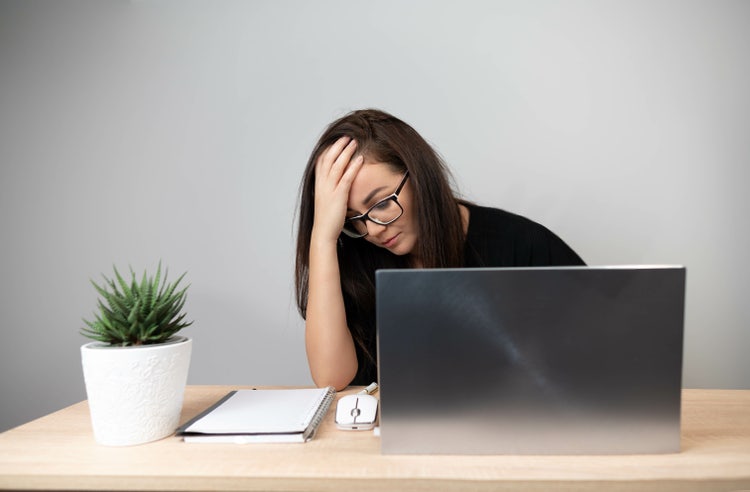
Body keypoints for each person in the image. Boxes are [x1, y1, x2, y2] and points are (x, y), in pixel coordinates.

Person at [295, 109, 584, 390]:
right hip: (391, 437)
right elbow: (332, 379)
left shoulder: (520, 244)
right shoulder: (350, 257)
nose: (371, 230)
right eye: (351, 219)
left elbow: (597, 349)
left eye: (382, 204)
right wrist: (322, 236)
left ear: (419, 177)